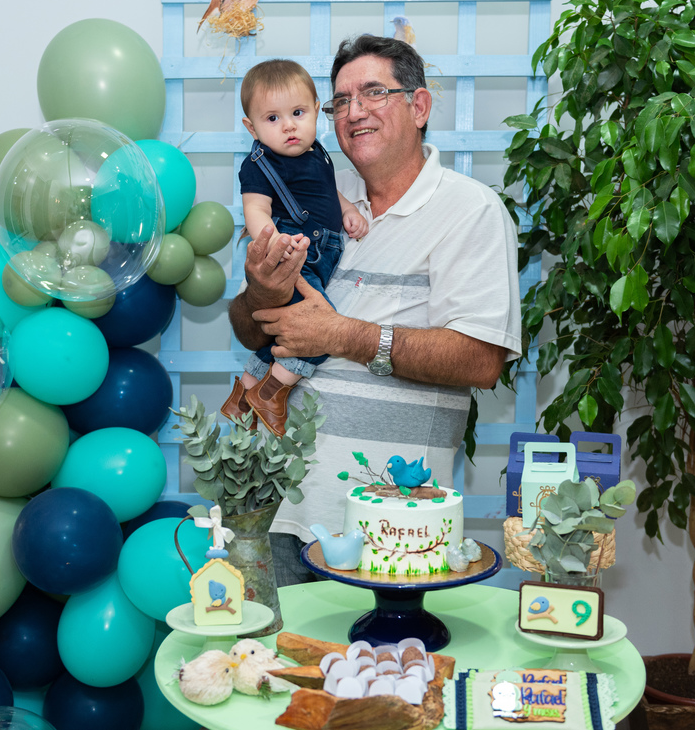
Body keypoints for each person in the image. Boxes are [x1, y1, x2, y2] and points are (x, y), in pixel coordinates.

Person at [229, 35, 525, 584]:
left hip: (388, 528)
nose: (354, 111)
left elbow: (481, 361)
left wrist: (343, 335)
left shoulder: (470, 211)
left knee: (380, 646)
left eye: (373, 93)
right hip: (269, 509)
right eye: (341, 100)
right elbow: (249, 329)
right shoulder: (309, 185)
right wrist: (262, 293)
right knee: (263, 643)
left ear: (419, 106)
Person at [220, 59, 369, 436]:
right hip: (294, 255)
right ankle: (271, 394)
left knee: (284, 333)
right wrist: (273, 242)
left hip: (323, 253)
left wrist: (348, 210)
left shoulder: (317, 153)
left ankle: (242, 396)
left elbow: (326, 194)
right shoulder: (259, 164)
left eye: (298, 113)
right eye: (273, 118)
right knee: (317, 331)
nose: (288, 125)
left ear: (317, 111)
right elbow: (256, 210)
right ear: (251, 128)